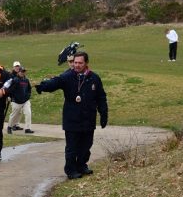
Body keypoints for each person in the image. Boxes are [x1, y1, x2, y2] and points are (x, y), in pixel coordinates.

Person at [35, 51, 108, 179]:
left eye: (80, 63)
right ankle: (71, 170)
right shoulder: (67, 76)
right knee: (72, 147)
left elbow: (101, 97)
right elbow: (55, 82)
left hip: (88, 118)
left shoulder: (94, 78)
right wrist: (43, 86)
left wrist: (104, 113)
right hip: (72, 119)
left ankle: (81, 166)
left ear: (86, 63)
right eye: (75, 63)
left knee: (86, 145)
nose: (77, 65)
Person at [7, 66, 34, 134]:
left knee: (28, 113)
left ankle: (28, 128)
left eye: (24, 71)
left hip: (25, 101)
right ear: (18, 72)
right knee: (14, 115)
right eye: (21, 71)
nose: (23, 73)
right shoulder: (15, 80)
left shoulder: (26, 80)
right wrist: (11, 97)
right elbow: (10, 90)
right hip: (16, 101)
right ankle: (9, 127)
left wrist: (27, 96)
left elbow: (29, 89)